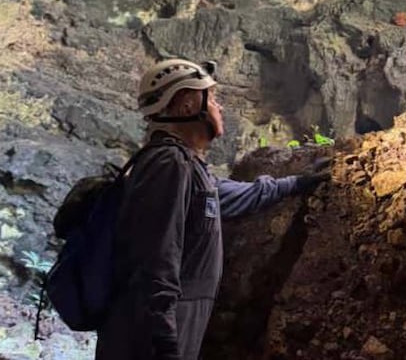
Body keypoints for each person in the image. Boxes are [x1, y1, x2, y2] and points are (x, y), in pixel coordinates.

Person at [95, 58, 331, 360]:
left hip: (166, 327)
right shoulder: (168, 165)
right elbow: (156, 257)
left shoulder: (185, 167)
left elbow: (232, 196)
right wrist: (165, 340)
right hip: (150, 338)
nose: (219, 108)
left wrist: (297, 182)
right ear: (185, 106)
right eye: (213, 98)